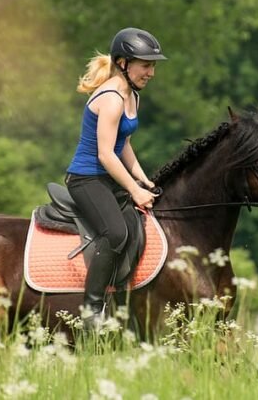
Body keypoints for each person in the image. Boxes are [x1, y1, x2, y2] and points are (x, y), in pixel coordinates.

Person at [66, 27, 167, 328]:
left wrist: (143, 179)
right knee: (116, 233)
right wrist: (134, 191)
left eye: (153, 66)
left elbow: (125, 145)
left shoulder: (131, 94)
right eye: (146, 65)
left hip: (109, 177)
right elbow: (106, 154)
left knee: (137, 228)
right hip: (86, 179)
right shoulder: (111, 98)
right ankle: (92, 311)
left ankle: (121, 303)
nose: (151, 72)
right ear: (123, 63)